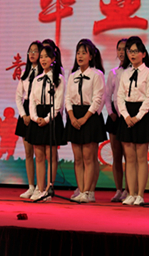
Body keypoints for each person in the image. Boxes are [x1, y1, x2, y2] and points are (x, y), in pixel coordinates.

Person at [64, 39, 107, 203]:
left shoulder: (96, 74)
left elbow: (98, 99)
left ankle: (89, 191)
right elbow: (68, 98)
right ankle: (81, 190)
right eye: (78, 53)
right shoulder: (73, 75)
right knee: (78, 158)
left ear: (91, 56)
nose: (80, 56)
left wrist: (84, 118)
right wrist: (72, 117)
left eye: (84, 53)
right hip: (74, 116)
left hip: (90, 117)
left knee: (89, 157)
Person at [115, 36, 149, 206]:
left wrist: (137, 117)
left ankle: (140, 194)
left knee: (141, 157)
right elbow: (120, 96)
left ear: (143, 54)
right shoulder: (125, 73)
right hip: (127, 115)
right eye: (130, 51)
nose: (132, 54)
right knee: (129, 158)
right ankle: (131, 193)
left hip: (142, 115)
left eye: (136, 51)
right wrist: (126, 116)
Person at [26, 44, 65, 202]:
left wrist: (47, 119)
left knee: (51, 155)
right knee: (39, 155)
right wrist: (35, 118)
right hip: (38, 118)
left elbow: (58, 102)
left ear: (53, 59)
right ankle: (39, 188)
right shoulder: (36, 79)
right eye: (41, 57)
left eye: (46, 57)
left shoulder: (59, 79)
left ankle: (49, 188)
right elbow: (31, 101)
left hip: (51, 118)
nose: (43, 60)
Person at [14, 40, 42, 199]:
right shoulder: (25, 73)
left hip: (37, 111)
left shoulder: (43, 73)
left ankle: (40, 186)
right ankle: (31, 186)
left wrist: (33, 115)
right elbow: (19, 97)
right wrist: (23, 115)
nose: (32, 54)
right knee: (28, 152)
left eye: (35, 51)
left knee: (39, 152)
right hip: (25, 111)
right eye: (30, 51)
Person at [104, 38, 128, 202]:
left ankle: (129, 189)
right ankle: (119, 189)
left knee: (129, 156)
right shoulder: (113, 73)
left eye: (124, 49)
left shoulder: (134, 72)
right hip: (114, 116)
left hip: (128, 114)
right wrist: (111, 112)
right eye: (119, 49)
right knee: (116, 154)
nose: (121, 52)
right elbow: (107, 95)